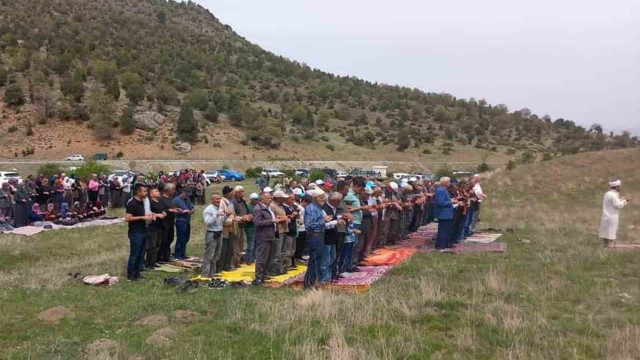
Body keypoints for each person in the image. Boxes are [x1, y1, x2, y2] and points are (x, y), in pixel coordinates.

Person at [252, 191, 287, 285]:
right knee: (261, 259)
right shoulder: (258, 209)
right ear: (262, 199)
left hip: (271, 235)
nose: (270, 199)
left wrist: (277, 219)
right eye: (268, 198)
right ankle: (259, 278)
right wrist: (271, 221)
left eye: (271, 198)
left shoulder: (269, 208)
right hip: (263, 237)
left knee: (269, 258)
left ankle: (265, 275)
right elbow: (257, 223)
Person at [125, 183, 153, 281]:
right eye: (144, 191)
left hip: (144, 230)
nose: (146, 193)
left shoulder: (142, 201)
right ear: (138, 192)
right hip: (136, 232)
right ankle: (131, 275)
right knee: (135, 254)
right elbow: (127, 218)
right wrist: (142, 217)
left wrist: (150, 215)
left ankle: (137, 273)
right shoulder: (132, 203)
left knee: (141, 254)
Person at [303, 188, 331, 288]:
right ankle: (309, 283)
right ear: (315, 198)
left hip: (320, 235)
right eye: (321, 197)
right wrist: (324, 221)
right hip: (314, 236)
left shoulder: (319, 208)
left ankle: (313, 281)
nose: (324, 199)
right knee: (314, 260)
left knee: (318, 259)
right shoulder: (311, 208)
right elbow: (309, 225)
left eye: (324, 197)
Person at [599, 179, 629, 248]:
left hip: (606, 216)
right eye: (619, 186)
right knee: (611, 234)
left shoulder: (607, 193)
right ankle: (610, 248)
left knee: (605, 234)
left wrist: (620, 200)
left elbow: (613, 203)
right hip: (612, 217)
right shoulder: (613, 195)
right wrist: (625, 201)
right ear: (616, 187)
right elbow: (618, 205)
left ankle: (605, 248)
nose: (620, 188)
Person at [202, 192, 226, 277]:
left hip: (219, 233)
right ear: (212, 200)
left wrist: (226, 215)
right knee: (209, 256)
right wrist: (216, 215)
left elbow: (221, 221)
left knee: (216, 255)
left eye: (219, 199)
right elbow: (207, 222)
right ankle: (205, 274)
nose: (218, 201)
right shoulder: (208, 210)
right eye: (216, 199)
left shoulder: (219, 208)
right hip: (212, 234)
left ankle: (212, 273)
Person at [146, 186, 167, 269]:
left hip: (160, 225)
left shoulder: (159, 201)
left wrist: (164, 212)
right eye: (156, 191)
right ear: (151, 194)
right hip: (153, 226)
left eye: (158, 191)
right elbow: (149, 212)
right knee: (152, 245)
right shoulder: (150, 202)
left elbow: (162, 209)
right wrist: (158, 215)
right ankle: (149, 263)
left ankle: (154, 261)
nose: (158, 192)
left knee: (158, 244)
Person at [269, 190, 289, 275]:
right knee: (277, 252)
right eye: (282, 197)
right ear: (278, 198)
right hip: (278, 230)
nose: (284, 199)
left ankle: (282, 269)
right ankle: (274, 270)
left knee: (284, 251)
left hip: (284, 229)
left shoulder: (281, 206)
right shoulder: (272, 206)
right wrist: (282, 218)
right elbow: (272, 217)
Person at [231, 185, 251, 267]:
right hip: (236, 225)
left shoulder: (243, 201)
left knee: (241, 244)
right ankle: (236, 262)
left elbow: (246, 210)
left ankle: (239, 260)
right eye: (241, 191)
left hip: (242, 225)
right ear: (237, 193)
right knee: (236, 244)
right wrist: (242, 217)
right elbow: (233, 214)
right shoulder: (233, 202)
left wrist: (248, 216)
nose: (243, 193)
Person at [219, 186, 238, 271]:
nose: (233, 194)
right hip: (224, 230)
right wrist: (233, 220)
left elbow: (233, 215)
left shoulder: (230, 203)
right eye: (231, 192)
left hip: (231, 229)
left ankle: (227, 266)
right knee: (223, 250)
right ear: (227, 193)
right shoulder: (222, 203)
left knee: (230, 249)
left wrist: (240, 218)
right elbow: (221, 218)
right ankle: (221, 267)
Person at [434, 177, 456, 251]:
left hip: (447, 213)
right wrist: (450, 202)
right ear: (445, 182)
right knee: (443, 230)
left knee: (446, 230)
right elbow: (440, 202)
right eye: (449, 182)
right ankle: (440, 245)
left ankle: (445, 244)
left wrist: (450, 200)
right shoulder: (441, 190)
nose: (450, 183)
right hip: (443, 214)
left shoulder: (444, 189)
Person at [158, 183, 178, 262]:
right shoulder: (161, 199)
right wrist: (169, 210)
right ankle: (160, 257)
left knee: (170, 239)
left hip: (171, 223)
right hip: (163, 223)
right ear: (168, 190)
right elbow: (159, 210)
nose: (174, 191)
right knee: (164, 240)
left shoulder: (170, 199)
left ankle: (166, 256)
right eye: (173, 189)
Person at [173, 188, 194, 259]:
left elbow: (191, 207)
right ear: (182, 192)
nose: (188, 195)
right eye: (187, 194)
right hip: (180, 220)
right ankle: (178, 254)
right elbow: (175, 210)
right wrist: (183, 211)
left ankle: (183, 253)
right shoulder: (177, 200)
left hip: (187, 220)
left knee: (186, 237)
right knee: (180, 237)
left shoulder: (188, 199)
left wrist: (191, 210)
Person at [244, 193, 260, 264]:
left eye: (257, 199)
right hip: (250, 227)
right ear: (251, 200)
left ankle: (253, 258)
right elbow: (248, 217)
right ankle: (249, 259)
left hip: (256, 227)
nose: (257, 201)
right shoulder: (249, 207)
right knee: (251, 244)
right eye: (255, 199)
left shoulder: (256, 206)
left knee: (256, 244)